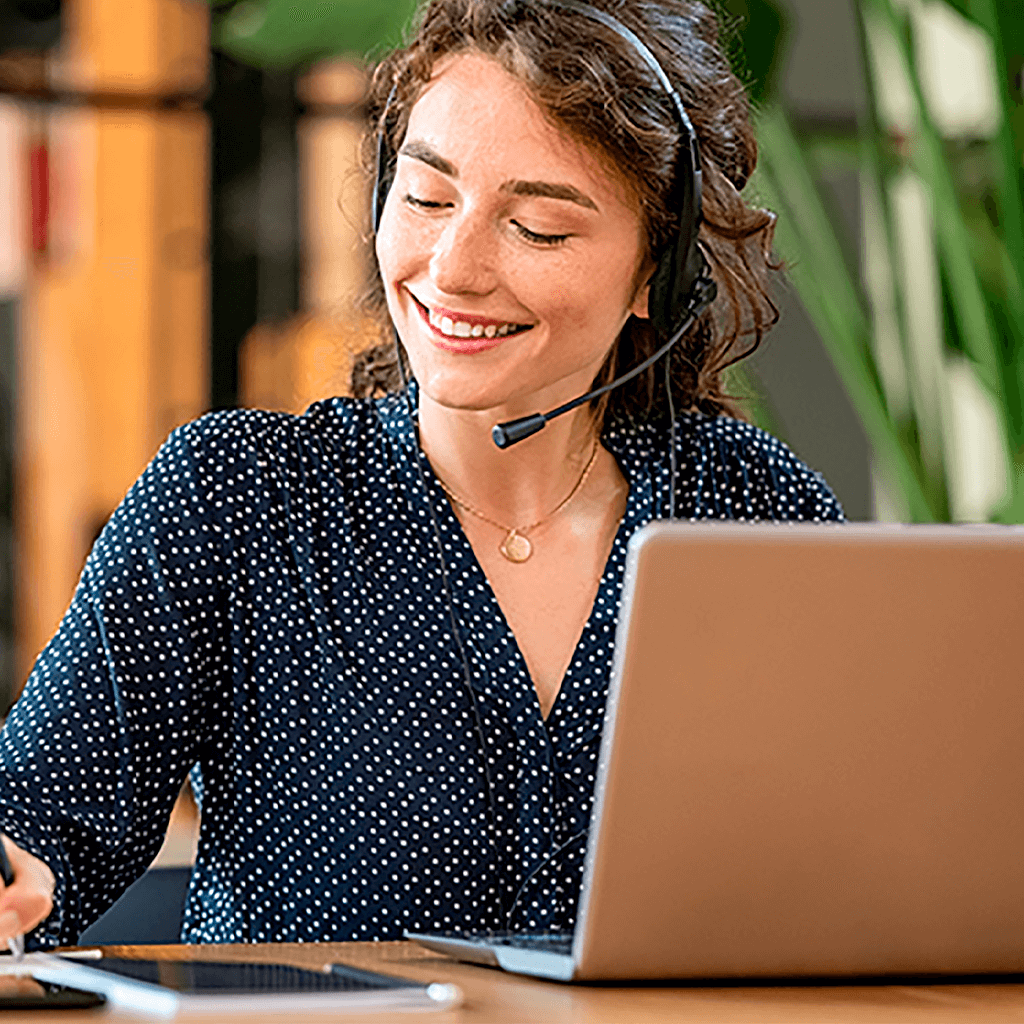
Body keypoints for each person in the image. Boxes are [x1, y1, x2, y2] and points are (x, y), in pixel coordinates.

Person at [0, 0, 843, 950]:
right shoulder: (238, 498)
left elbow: (861, 855)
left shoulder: (755, 514)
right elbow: (35, 821)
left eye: (537, 229)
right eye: (428, 199)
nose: (453, 267)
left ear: (662, 270)